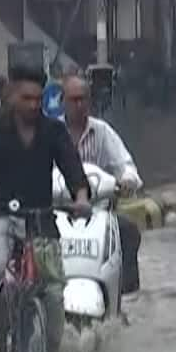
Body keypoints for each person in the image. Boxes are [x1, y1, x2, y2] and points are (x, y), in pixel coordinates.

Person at [0, 63, 89, 352]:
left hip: (41, 222)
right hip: (0, 215)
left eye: (38, 99)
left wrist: (80, 197)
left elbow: (72, 167)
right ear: (11, 96)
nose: (33, 105)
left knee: (53, 301)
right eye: (26, 98)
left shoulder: (53, 132)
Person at [61, 75, 142, 294]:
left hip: (98, 214)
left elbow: (126, 165)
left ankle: (122, 295)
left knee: (129, 231)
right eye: (73, 100)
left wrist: (126, 181)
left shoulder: (103, 132)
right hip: (58, 213)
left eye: (83, 99)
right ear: (63, 101)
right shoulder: (52, 132)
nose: (79, 105)